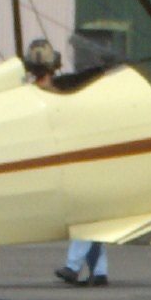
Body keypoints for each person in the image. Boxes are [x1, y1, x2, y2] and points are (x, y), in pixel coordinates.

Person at [24, 38, 110, 287]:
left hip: (67, 160)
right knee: (90, 216)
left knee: (87, 215)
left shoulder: (31, 94)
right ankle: (98, 271)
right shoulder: (66, 91)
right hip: (80, 156)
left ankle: (75, 267)